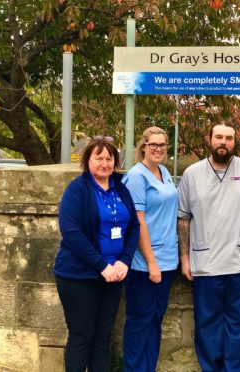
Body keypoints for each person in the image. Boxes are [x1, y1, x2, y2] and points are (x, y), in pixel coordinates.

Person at [177, 122, 240, 372]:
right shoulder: (192, 174)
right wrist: (185, 258)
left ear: (235, 141)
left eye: (229, 138)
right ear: (209, 139)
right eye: (219, 137)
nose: (224, 142)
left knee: (239, 326)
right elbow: (183, 219)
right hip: (206, 265)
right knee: (207, 326)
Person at [54, 136, 140, 372]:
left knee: (103, 338)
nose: (104, 163)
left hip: (114, 276)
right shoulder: (78, 189)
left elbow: (134, 227)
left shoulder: (120, 188)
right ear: (87, 160)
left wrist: (124, 261)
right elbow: (71, 232)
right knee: (82, 336)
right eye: (98, 158)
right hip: (79, 276)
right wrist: (102, 266)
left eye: (109, 158)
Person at [121, 126, 179, 371]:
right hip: (144, 265)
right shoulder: (136, 176)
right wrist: (151, 262)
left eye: (163, 145)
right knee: (139, 321)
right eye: (153, 144)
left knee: (155, 320)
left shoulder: (164, 172)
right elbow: (138, 221)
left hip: (167, 261)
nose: (158, 149)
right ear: (143, 146)